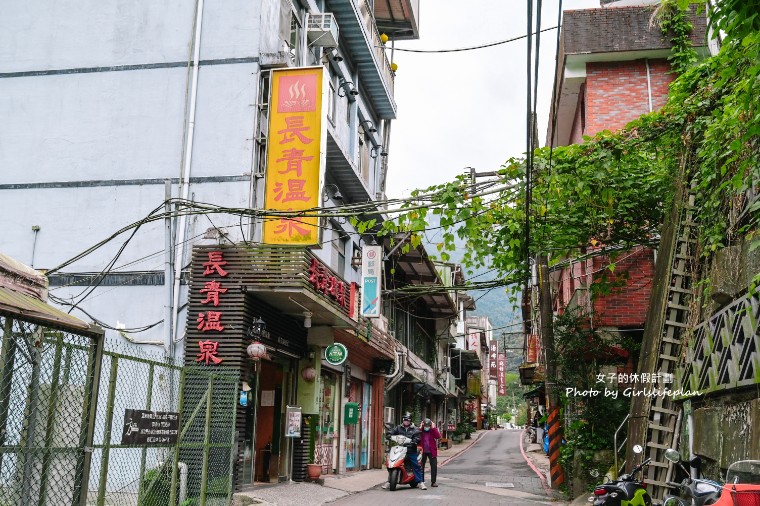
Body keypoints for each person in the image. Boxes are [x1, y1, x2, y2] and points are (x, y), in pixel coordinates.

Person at [382, 412, 426, 490]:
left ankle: (421, 482)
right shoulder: (399, 427)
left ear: (410, 420)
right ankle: (389, 481)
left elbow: (418, 436)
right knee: (390, 463)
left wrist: (415, 441)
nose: (406, 421)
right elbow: (392, 431)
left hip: (410, 450)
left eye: (407, 420)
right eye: (405, 420)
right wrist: (389, 435)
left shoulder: (415, 429)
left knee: (415, 465)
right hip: (400, 449)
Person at [418, 418, 441, 487]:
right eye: (425, 426)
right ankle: (421, 481)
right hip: (422, 451)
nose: (426, 428)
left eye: (428, 426)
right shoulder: (420, 431)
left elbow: (438, 436)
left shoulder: (432, 430)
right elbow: (416, 435)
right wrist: (420, 428)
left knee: (434, 466)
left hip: (432, 451)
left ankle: (433, 482)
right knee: (421, 466)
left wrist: (434, 428)